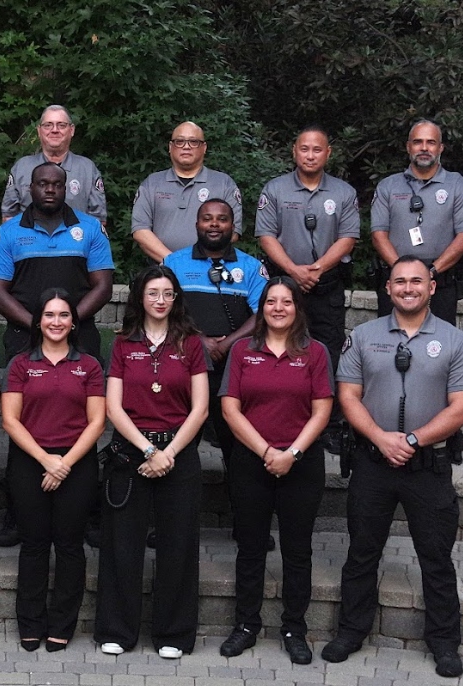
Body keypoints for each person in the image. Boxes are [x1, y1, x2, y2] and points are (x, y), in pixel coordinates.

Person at [321, 256, 463, 678]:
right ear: (387, 289)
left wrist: (415, 440)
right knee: (361, 553)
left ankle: (444, 642)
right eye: (399, 281)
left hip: (429, 466)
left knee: (436, 558)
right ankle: (350, 631)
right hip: (373, 463)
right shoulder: (362, 336)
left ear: (432, 287)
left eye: (416, 281)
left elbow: (460, 408)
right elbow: (347, 396)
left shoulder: (455, 341)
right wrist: (382, 439)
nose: (407, 288)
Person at [0, 161, 114, 547]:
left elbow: (103, 285)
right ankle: (15, 514)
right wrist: (38, 325)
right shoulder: (9, 233)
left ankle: (87, 513)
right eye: (41, 184)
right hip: (23, 337)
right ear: (31, 187)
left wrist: (67, 323)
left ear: (65, 188)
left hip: (80, 339)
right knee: (20, 422)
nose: (48, 190)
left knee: (85, 423)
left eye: (55, 184)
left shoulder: (90, 230)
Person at [94, 265, 208, 658]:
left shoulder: (192, 343)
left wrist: (169, 453)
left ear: (176, 298)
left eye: (168, 293)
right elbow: (113, 406)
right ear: (140, 298)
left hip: (179, 454)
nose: (160, 300)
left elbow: (201, 408)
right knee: (121, 546)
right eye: (153, 293)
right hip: (131, 454)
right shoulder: (124, 343)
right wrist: (148, 451)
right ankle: (117, 630)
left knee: (179, 546)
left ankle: (174, 634)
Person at [218, 276, 334, 664]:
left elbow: (322, 409)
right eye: (271, 302)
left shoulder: (315, 352)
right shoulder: (241, 353)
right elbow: (230, 408)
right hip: (251, 462)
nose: (279, 308)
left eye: (287, 302)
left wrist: (292, 453)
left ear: (298, 309)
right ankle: (246, 625)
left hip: (301, 464)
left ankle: (293, 628)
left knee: (297, 551)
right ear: (261, 308)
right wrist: (267, 451)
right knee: (250, 549)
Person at [1, 288, 105, 652]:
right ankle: (30, 623)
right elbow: (10, 421)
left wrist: (64, 464)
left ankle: (62, 624)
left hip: (77, 463)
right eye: (49, 315)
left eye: (63, 315)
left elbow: (96, 422)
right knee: (33, 546)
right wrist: (47, 461)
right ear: (38, 321)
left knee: (70, 546)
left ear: (74, 322)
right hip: (31, 462)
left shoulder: (89, 365)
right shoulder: (20, 364)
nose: (56, 322)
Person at [164, 199, 268, 540]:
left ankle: (248, 525)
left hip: (234, 373)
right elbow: (161, 309)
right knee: (179, 446)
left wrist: (225, 345)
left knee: (240, 450)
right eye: (207, 218)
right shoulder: (173, 264)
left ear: (232, 227)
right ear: (196, 224)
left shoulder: (252, 268)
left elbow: (265, 313)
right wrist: (200, 341)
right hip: (183, 367)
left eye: (222, 219)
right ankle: (172, 526)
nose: (214, 224)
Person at [255, 126, 358, 455]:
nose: (310, 155)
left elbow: (348, 237)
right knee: (281, 348)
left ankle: (328, 424)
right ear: (294, 152)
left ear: (328, 153)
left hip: (326, 284)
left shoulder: (343, 192)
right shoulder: (275, 189)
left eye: (317, 149)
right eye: (304, 149)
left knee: (328, 351)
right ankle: (282, 415)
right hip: (286, 284)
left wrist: (316, 269)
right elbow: (266, 235)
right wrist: (294, 270)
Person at [371, 120, 463, 324]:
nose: (424, 148)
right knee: (390, 343)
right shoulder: (388, 186)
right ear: (408, 146)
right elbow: (378, 235)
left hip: (440, 281)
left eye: (430, 142)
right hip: (396, 281)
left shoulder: (457, 185)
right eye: (417, 142)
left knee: (440, 347)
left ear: (440, 148)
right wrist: (403, 274)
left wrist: (429, 273)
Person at [132, 121, 242, 262]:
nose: (186, 147)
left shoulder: (224, 184)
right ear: (170, 147)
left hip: (210, 269)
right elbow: (140, 231)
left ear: (204, 147)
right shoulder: (152, 183)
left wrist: (199, 262)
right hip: (163, 272)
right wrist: (175, 262)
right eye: (179, 141)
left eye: (193, 142)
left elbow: (233, 232)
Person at [1, 105, 106, 226]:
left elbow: (98, 220)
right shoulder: (21, 168)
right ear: (39, 131)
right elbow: (8, 217)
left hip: (75, 242)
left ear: (71, 130)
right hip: (30, 242)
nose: (54, 130)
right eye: (48, 125)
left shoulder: (87, 169)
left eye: (61, 125)